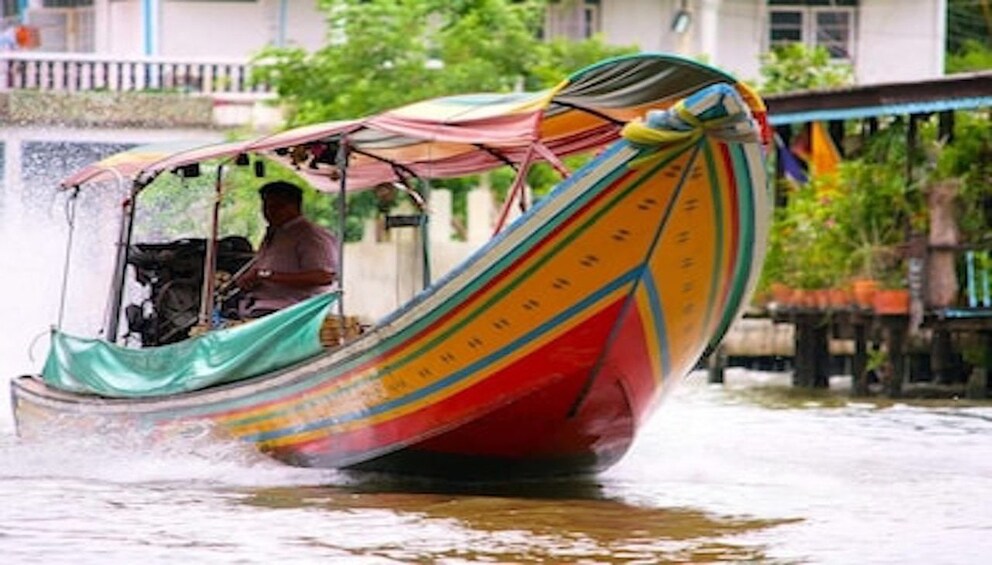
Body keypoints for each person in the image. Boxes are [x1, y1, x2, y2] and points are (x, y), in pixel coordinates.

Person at [235, 180, 339, 318]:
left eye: (278, 206)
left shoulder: (310, 235)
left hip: (291, 314)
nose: (270, 212)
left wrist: (266, 275)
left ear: (296, 206)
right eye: (266, 206)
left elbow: (324, 277)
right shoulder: (277, 233)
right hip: (261, 306)